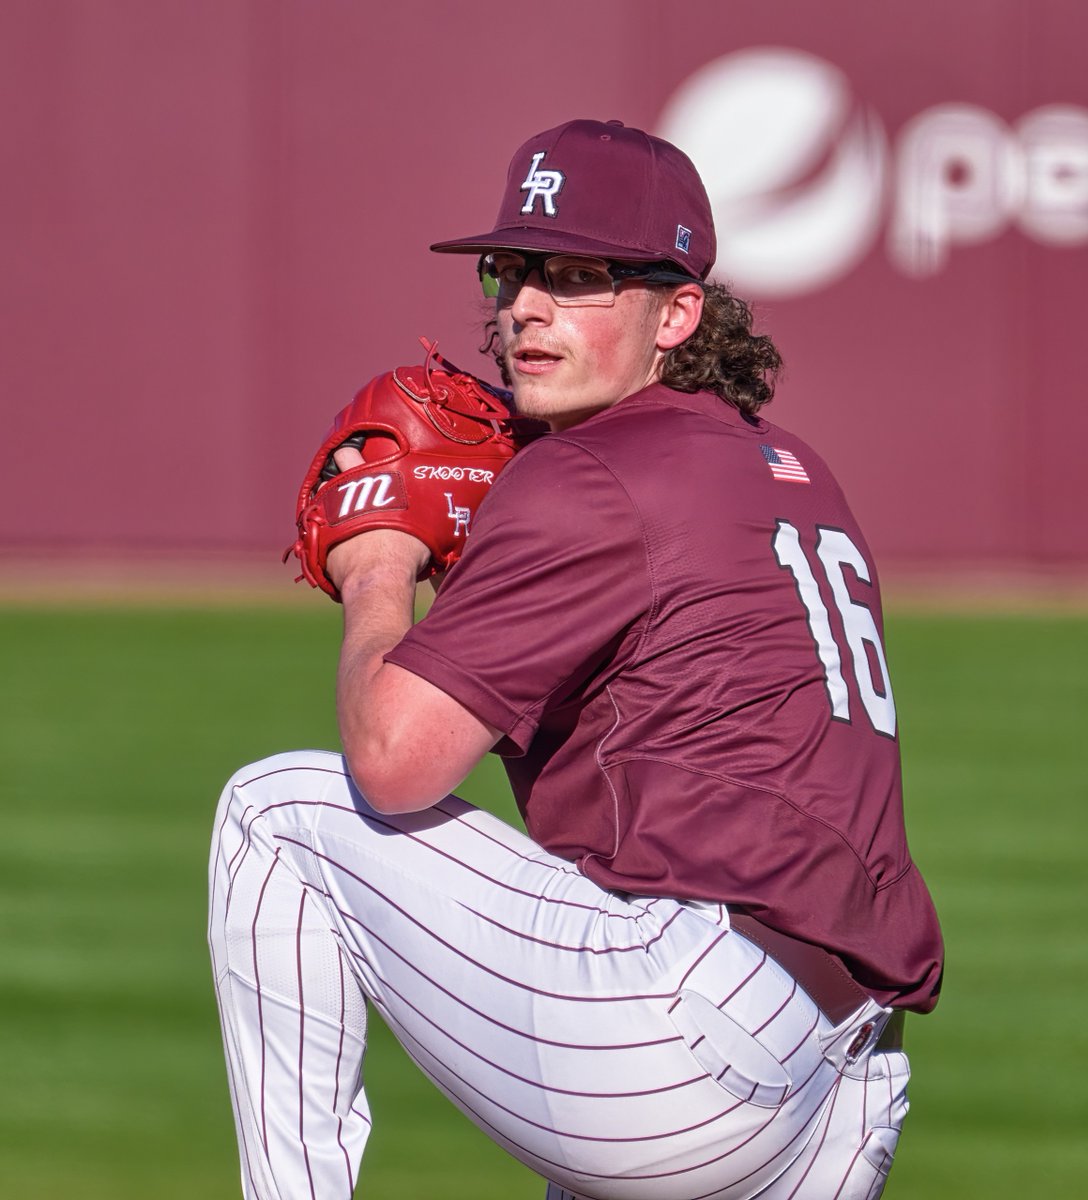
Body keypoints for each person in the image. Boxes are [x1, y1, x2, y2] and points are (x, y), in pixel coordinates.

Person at [208, 118, 943, 1200]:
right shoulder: (787, 467)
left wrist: (380, 569)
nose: (528, 308)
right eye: (517, 271)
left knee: (275, 817)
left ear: (676, 314)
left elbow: (394, 761)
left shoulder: (587, 474)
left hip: (685, 1040)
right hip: (838, 1076)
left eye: (583, 275)